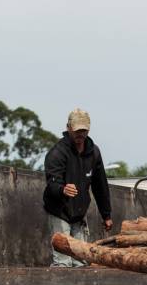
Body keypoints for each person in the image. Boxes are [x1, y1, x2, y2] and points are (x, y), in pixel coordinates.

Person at [43, 108, 113, 267]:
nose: (80, 134)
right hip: (59, 212)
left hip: (79, 214)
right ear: (68, 128)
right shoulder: (57, 153)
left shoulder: (94, 152)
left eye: (83, 130)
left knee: (81, 262)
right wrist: (62, 189)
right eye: (77, 130)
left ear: (88, 129)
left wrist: (106, 214)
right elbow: (51, 184)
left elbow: (100, 184)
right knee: (63, 262)